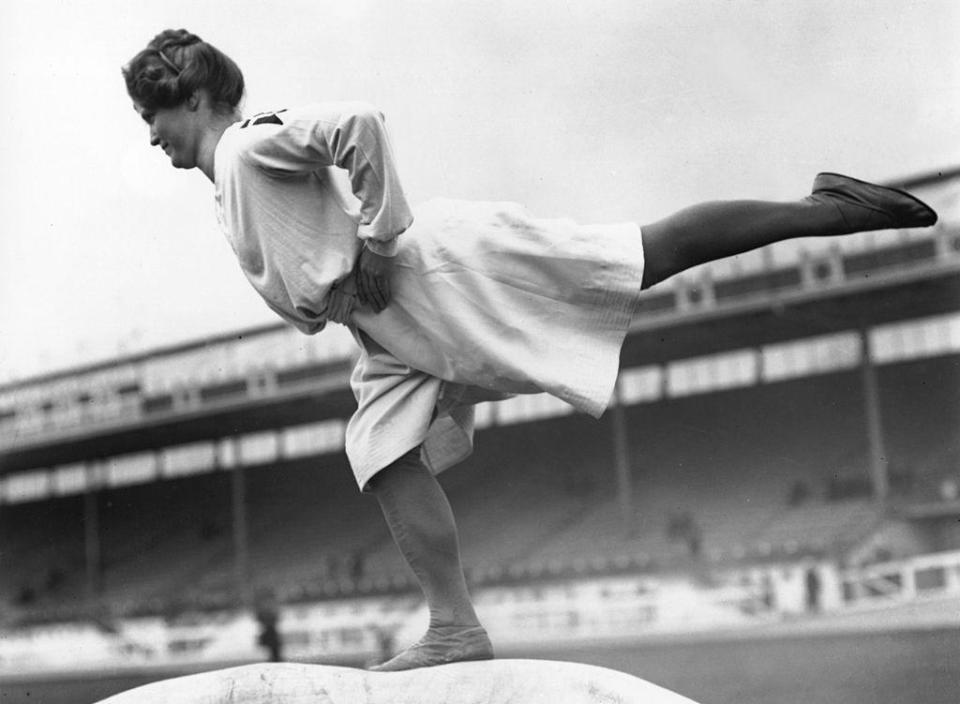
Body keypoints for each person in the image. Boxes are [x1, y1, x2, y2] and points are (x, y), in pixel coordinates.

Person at [122, 29, 938, 671]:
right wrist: (343, 282)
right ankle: (453, 627)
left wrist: (372, 242)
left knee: (638, 257)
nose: (151, 135)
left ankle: (827, 209)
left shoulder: (243, 147)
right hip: (391, 326)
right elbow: (305, 275)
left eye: (152, 115)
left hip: (432, 270)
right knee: (378, 451)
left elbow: (360, 126)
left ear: (191, 98)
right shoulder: (229, 183)